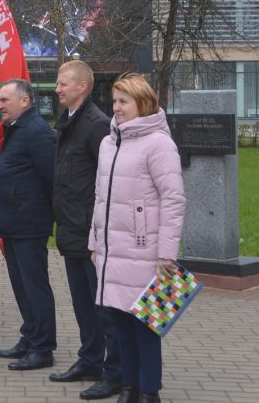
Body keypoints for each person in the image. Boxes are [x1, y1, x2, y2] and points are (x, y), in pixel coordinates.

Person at [90, 74, 185, 403]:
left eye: (123, 102)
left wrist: (167, 253)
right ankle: (128, 387)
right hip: (113, 250)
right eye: (114, 101)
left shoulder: (159, 143)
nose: (115, 108)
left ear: (143, 103)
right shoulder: (109, 142)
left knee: (145, 326)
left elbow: (174, 199)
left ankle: (148, 391)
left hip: (147, 252)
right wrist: (94, 242)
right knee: (120, 325)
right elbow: (101, 198)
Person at [49, 60, 122, 399]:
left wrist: (95, 228)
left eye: (64, 83)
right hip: (72, 228)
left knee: (102, 305)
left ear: (82, 87)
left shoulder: (96, 125)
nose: (57, 88)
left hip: (91, 232)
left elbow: (108, 182)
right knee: (82, 301)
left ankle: (113, 372)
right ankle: (90, 358)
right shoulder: (68, 122)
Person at [0, 78, 58, 371]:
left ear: (25, 101)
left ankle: (43, 348)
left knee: (35, 287)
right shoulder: (15, 129)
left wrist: (37, 213)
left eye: (5, 100)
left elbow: (50, 178)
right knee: (21, 286)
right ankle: (30, 337)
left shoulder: (37, 132)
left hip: (30, 224)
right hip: (14, 222)